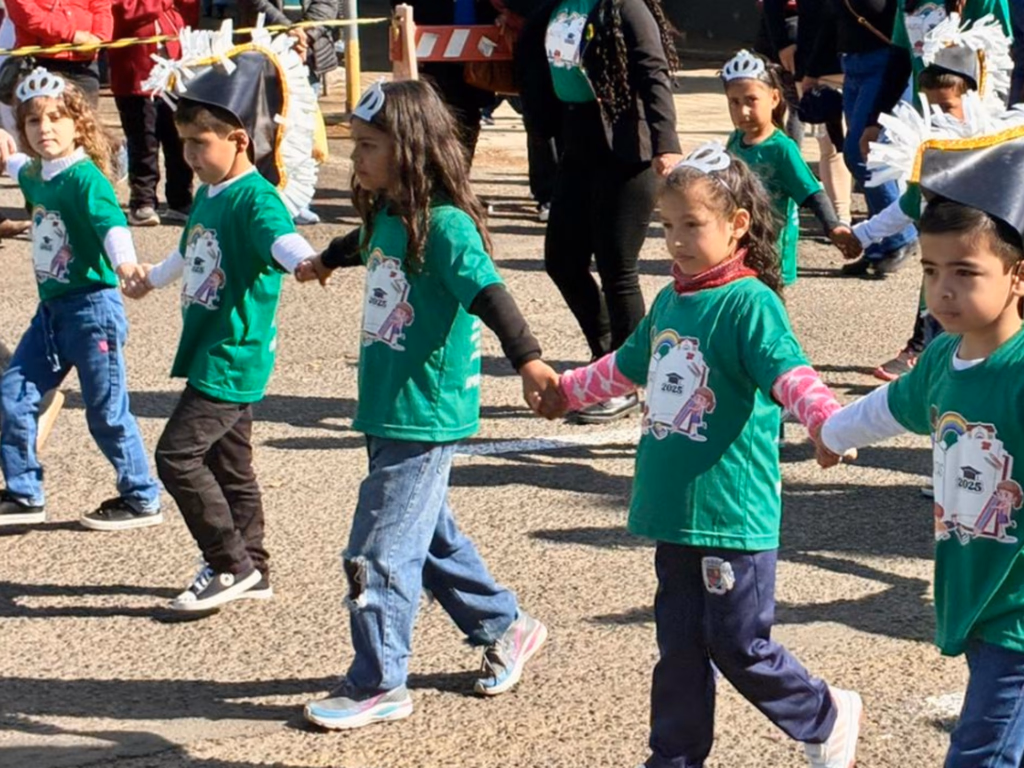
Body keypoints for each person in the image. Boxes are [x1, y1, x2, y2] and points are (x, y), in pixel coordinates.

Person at [534, 141, 861, 768]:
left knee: (739, 645)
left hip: (732, 515)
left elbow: (792, 375)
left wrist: (827, 423)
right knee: (679, 650)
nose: (677, 241)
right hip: (674, 513)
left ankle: (824, 713)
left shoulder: (749, 302)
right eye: (667, 226)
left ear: (738, 225)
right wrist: (566, 393)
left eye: (693, 225)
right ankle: (674, 757)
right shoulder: (669, 302)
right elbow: (626, 367)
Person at [298, 80, 555, 730]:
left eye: (367, 146)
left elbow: (488, 291)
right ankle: (505, 625)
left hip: (422, 415)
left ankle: (379, 682)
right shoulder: (390, 213)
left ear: (409, 148)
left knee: (377, 552)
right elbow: (366, 245)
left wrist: (528, 360)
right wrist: (325, 259)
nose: (355, 159)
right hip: (387, 408)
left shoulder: (444, 226)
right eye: (355, 145)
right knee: (430, 540)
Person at [819, 107, 1024, 768]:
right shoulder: (942, 358)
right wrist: (832, 430)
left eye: (965, 272)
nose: (943, 290)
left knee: (980, 754)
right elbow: (896, 405)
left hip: (1017, 615)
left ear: (1017, 277)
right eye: (931, 272)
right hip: (975, 588)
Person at [130, 24, 322, 612]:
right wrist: (150, 279)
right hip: (212, 344)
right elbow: (190, 251)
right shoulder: (211, 194)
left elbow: (279, 240)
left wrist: (305, 263)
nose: (189, 155)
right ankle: (254, 567)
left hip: (233, 352)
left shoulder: (254, 196)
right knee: (229, 462)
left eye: (199, 143)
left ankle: (226, 563)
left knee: (176, 456)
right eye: (183, 143)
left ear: (238, 139)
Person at [0, 68, 161, 529]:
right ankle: (25, 493)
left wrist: (126, 265)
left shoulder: (85, 178)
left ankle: (142, 496)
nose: (45, 128)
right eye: (33, 122)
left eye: (55, 118)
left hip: (93, 309)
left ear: (78, 124)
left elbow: (111, 223)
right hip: (50, 313)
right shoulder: (37, 174)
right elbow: (17, 166)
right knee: (13, 394)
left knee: (106, 411)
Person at [512, 0, 683, 423]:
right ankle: (607, 356)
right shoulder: (553, 8)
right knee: (562, 260)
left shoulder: (625, 6)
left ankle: (629, 382)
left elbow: (652, 71)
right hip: (577, 139)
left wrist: (667, 142)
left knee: (616, 267)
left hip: (628, 145)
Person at [852, 13, 1013, 381]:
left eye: (946, 109)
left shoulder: (1002, 157)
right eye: (930, 109)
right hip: (946, 288)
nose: (937, 120)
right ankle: (932, 371)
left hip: (994, 279)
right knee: (947, 347)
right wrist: (860, 235)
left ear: (977, 98)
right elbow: (906, 207)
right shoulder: (933, 163)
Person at [721, 50, 860, 285]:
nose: (742, 111)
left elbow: (811, 191)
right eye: (734, 102)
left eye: (751, 100)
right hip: (737, 246)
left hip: (769, 250)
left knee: (768, 308)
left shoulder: (782, 148)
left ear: (774, 98)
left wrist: (833, 227)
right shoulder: (735, 140)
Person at [834, 0, 919, 278]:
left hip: (887, 62)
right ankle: (878, 246)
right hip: (852, 61)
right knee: (866, 156)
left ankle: (901, 235)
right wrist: (811, 69)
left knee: (862, 154)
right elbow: (830, 15)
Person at [236, 0, 338, 225]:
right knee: (260, 133)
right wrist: (289, 33)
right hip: (262, 52)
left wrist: (304, 36)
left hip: (308, 55)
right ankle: (262, 201)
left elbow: (328, 5)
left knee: (302, 133)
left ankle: (298, 202)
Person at [109, 0, 194, 227]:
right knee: (144, 142)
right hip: (136, 76)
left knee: (178, 141)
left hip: (173, 76)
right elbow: (124, 12)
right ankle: (142, 201)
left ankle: (181, 201)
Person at [4, 0, 112, 106]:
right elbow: (25, 14)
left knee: (85, 121)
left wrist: (99, 38)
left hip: (85, 65)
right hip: (40, 64)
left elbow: (101, 7)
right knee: (43, 118)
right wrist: (71, 35)